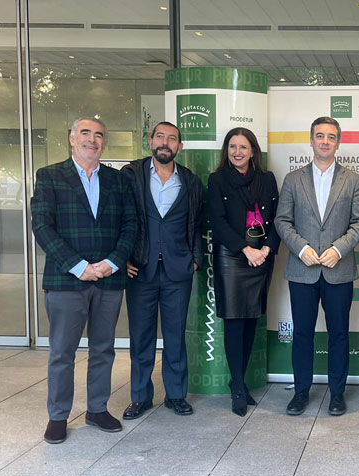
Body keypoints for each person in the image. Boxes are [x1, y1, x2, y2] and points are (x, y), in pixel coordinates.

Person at [31, 117, 137, 444]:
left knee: (103, 349)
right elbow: (42, 227)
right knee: (62, 352)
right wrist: (78, 266)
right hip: (66, 280)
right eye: (86, 133)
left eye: (99, 135)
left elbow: (131, 225)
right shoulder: (50, 176)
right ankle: (58, 416)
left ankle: (97, 409)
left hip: (108, 279)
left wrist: (111, 263)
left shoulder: (118, 180)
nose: (92, 140)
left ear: (104, 142)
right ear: (72, 139)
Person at [274, 116, 359, 417]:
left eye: (331, 136)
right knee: (303, 333)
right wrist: (301, 248)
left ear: (338, 142)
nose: (325, 141)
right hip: (302, 270)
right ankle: (300, 392)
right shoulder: (293, 179)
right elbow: (282, 221)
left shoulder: (353, 180)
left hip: (338, 269)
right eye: (320, 136)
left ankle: (337, 393)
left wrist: (338, 250)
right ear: (311, 140)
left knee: (339, 333)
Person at [120, 121, 204, 420]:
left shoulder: (191, 181)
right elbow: (119, 218)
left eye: (172, 138)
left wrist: (195, 258)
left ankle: (176, 395)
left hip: (177, 270)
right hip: (139, 268)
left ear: (179, 146)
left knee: (175, 335)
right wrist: (122, 257)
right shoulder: (131, 175)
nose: (165, 142)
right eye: (160, 137)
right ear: (150, 142)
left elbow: (197, 222)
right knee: (140, 336)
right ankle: (140, 397)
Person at [207, 127, 280, 417]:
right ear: (226, 150)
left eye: (243, 147)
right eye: (232, 147)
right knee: (235, 321)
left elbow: (277, 218)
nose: (237, 152)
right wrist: (245, 250)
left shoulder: (267, 179)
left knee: (251, 320)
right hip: (233, 257)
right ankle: (237, 386)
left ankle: (238, 379)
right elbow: (217, 221)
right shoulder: (217, 180)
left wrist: (267, 249)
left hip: (262, 257)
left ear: (253, 152)